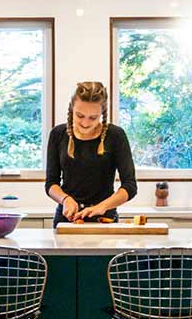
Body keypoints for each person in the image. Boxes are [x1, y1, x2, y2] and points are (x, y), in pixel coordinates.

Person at [45, 80, 137, 224]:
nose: (85, 123)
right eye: (80, 116)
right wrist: (65, 199)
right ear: (71, 109)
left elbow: (130, 186)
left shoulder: (115, 135)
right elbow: (51, 183)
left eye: (93, 118)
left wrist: (102, 206)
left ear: (102, 113)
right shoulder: (58, 134)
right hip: (67, 218)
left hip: (105, 218)